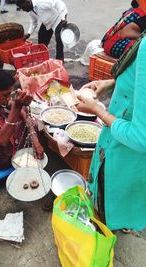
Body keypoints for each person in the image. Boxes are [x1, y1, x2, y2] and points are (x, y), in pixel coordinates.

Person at [76, 32, 146, 231]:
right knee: (128, 203)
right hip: (130, 155)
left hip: (127, 151)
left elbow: (140, 137)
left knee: (111, 207)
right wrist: (114, 83)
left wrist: (98, 110)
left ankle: (106, 236)